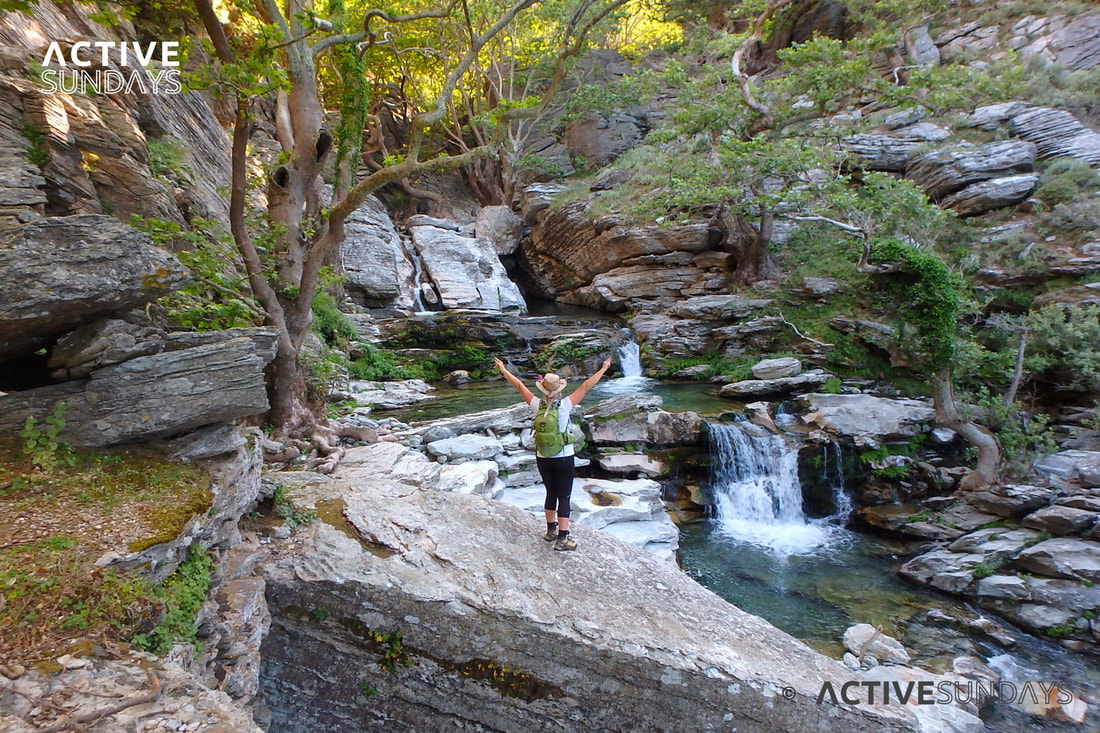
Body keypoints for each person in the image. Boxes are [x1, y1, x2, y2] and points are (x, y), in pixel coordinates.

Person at [493, 355, 613, 551]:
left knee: (551, 492)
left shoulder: (536, 405)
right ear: (559, 389)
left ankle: (550, 531)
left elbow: (520, 386)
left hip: (543, 457)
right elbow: (585, 386)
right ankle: (563, 539)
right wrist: (603, 369)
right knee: (564, 496)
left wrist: (504, 370)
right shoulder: (565, 405)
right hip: (564, 457)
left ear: (543, 389)